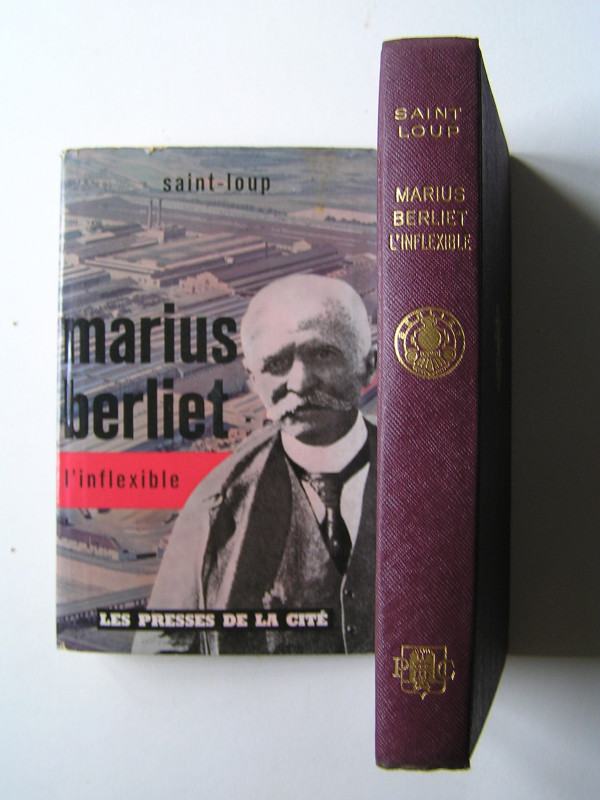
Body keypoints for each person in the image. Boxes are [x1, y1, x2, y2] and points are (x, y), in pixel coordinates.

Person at [132, 274, 377, 654]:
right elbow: (161, 654)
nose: (300, 382)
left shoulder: (425, 480)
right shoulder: (213, 507)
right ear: (252, 380)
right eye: (276, 364)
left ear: (368, 364)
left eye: (323, 354)